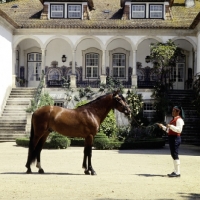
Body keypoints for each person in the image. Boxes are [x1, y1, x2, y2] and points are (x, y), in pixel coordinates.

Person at [157, 106, 185, 177]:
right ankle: (175, 171)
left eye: (174, 111)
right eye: (172, 111)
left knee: (175, 154)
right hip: (172, 138)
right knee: (173, 154)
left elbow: (179, 130)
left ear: (178, 112)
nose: (172, 112)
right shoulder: (174, 120)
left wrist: (171, 126)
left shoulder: (179, 120)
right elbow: (169, 130)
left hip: (175, 138)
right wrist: (163, 127)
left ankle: (178, 172)